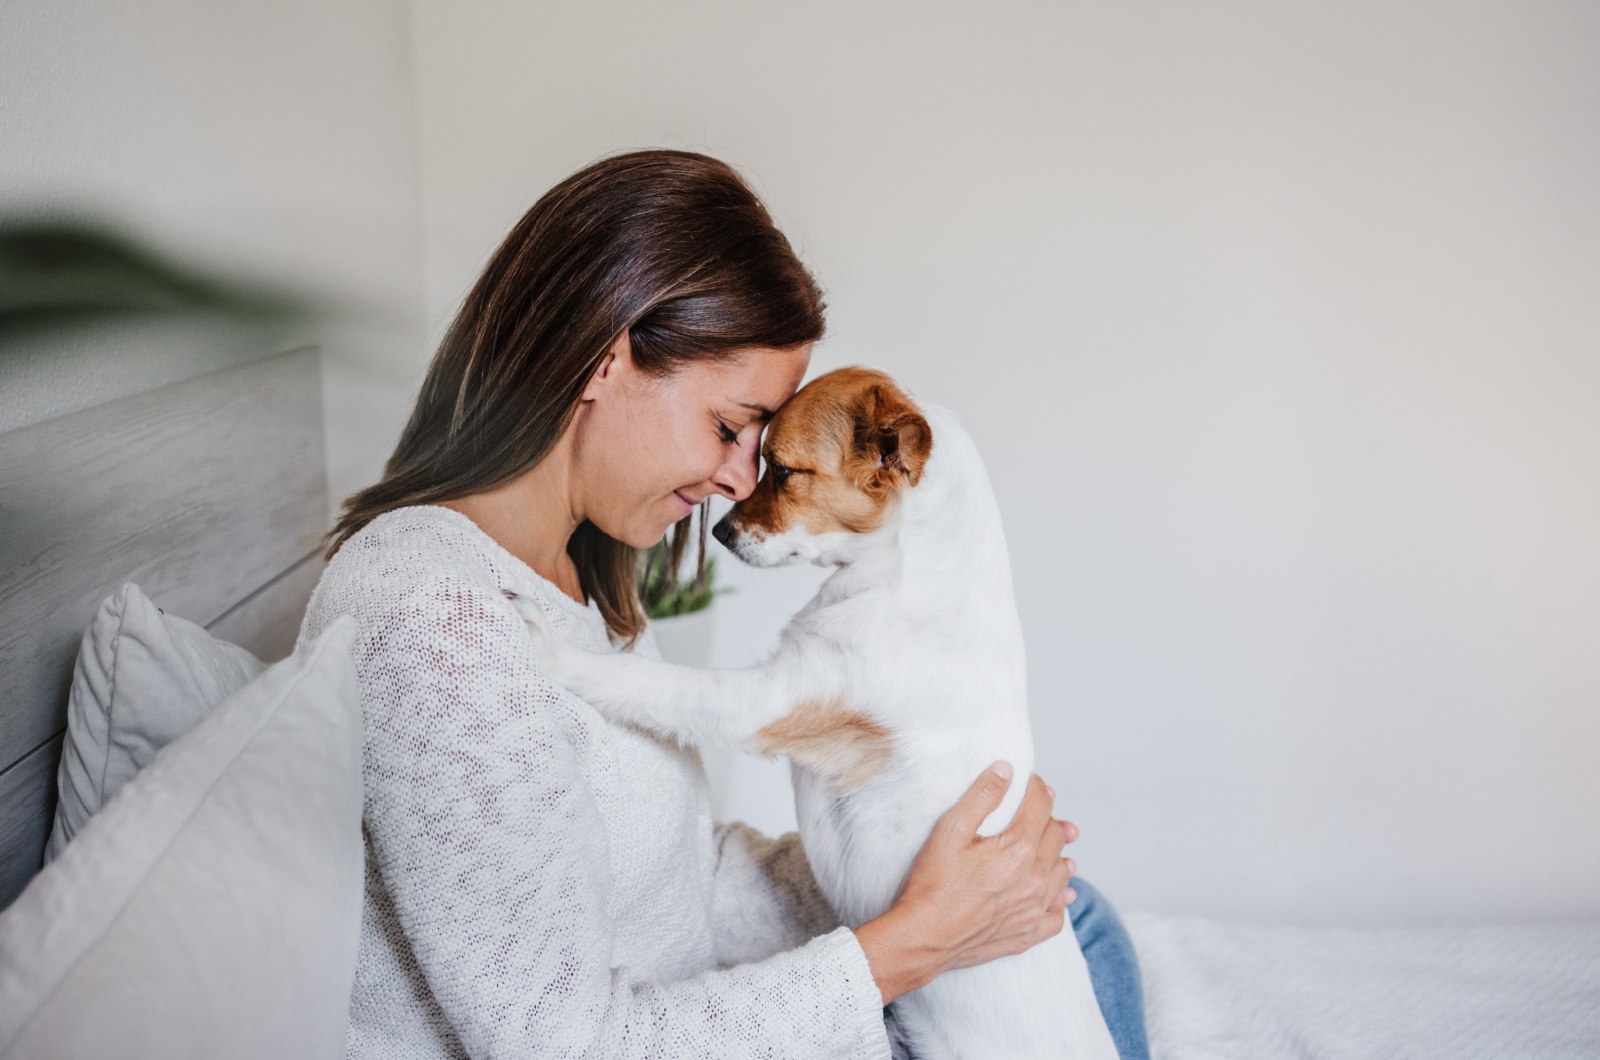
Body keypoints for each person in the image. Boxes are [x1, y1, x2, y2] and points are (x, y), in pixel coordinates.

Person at [300, 149, 1149, 1059]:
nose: (743, 478)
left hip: (727, 995)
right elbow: (568, 1046)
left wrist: (941, 882)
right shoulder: (440, 622)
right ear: (603, 361)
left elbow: (670, 883)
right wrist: (912, 943)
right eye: (728, 426)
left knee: (1074, 916)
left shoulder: (571, 573)